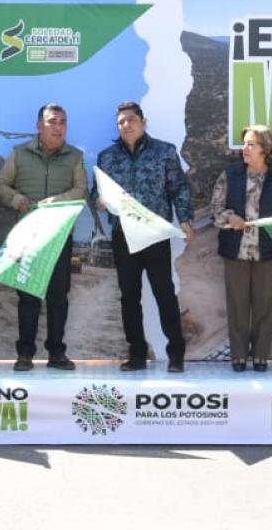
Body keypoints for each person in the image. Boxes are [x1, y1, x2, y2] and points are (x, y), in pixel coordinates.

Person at [94, 101, 194, 372]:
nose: (126, 125)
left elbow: (179, 188)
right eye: (121, 122)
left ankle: (176, 354)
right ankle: (137, 354)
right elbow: (97, 193)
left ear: (143, 121)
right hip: (122, 236)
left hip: (154, 234)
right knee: (129, 296)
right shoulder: (107, 157)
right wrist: (100, 201)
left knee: (164, 293)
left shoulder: (164, 152)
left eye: (131, 120)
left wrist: (185, 220)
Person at [0, 103, 88, 372]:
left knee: (58, 297)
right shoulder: (19, 154)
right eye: (52, 121)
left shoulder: (75, 157)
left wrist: (56, 201)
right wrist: (15, 199)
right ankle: (25, 354)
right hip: (28, 237)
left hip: (59, 238)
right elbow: (0, 185)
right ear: (39, 126)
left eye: (62, 122)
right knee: (28, 298)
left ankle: (57, 353)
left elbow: (82, 190)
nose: (58, 127)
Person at [211, 125, 272, 372]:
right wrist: (230, 218)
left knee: (265, 305)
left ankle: (261, 356)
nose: (245, 149)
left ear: (265, 148)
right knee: (237, 304)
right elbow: (215, 210)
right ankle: (238, 356)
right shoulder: (230, 175)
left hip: (268, 252)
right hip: (235, 251)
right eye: (245, 143)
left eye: (251, 144)